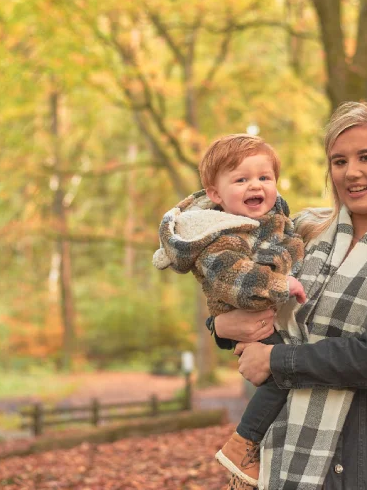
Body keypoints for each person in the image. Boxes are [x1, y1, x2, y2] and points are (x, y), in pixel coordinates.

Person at [210, 102, 367, 490]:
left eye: (366, 157)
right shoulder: (301, 231)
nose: (351, 172)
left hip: (365, 457)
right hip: (280, 447)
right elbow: (243, 289)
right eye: (339, 161)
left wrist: (276, 359)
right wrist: (221, 326)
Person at [152, 134, 307, 487]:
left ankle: (253, 444)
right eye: (241, 179)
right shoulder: (220, 236)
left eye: (264, 178)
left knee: (284, 377)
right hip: (253, 319)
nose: (256, 185)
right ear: (216, 194)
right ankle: (244, 442)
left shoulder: (272, 220)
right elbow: (237, 282)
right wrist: (283, 285)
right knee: (284, 376)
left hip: (259, 320)